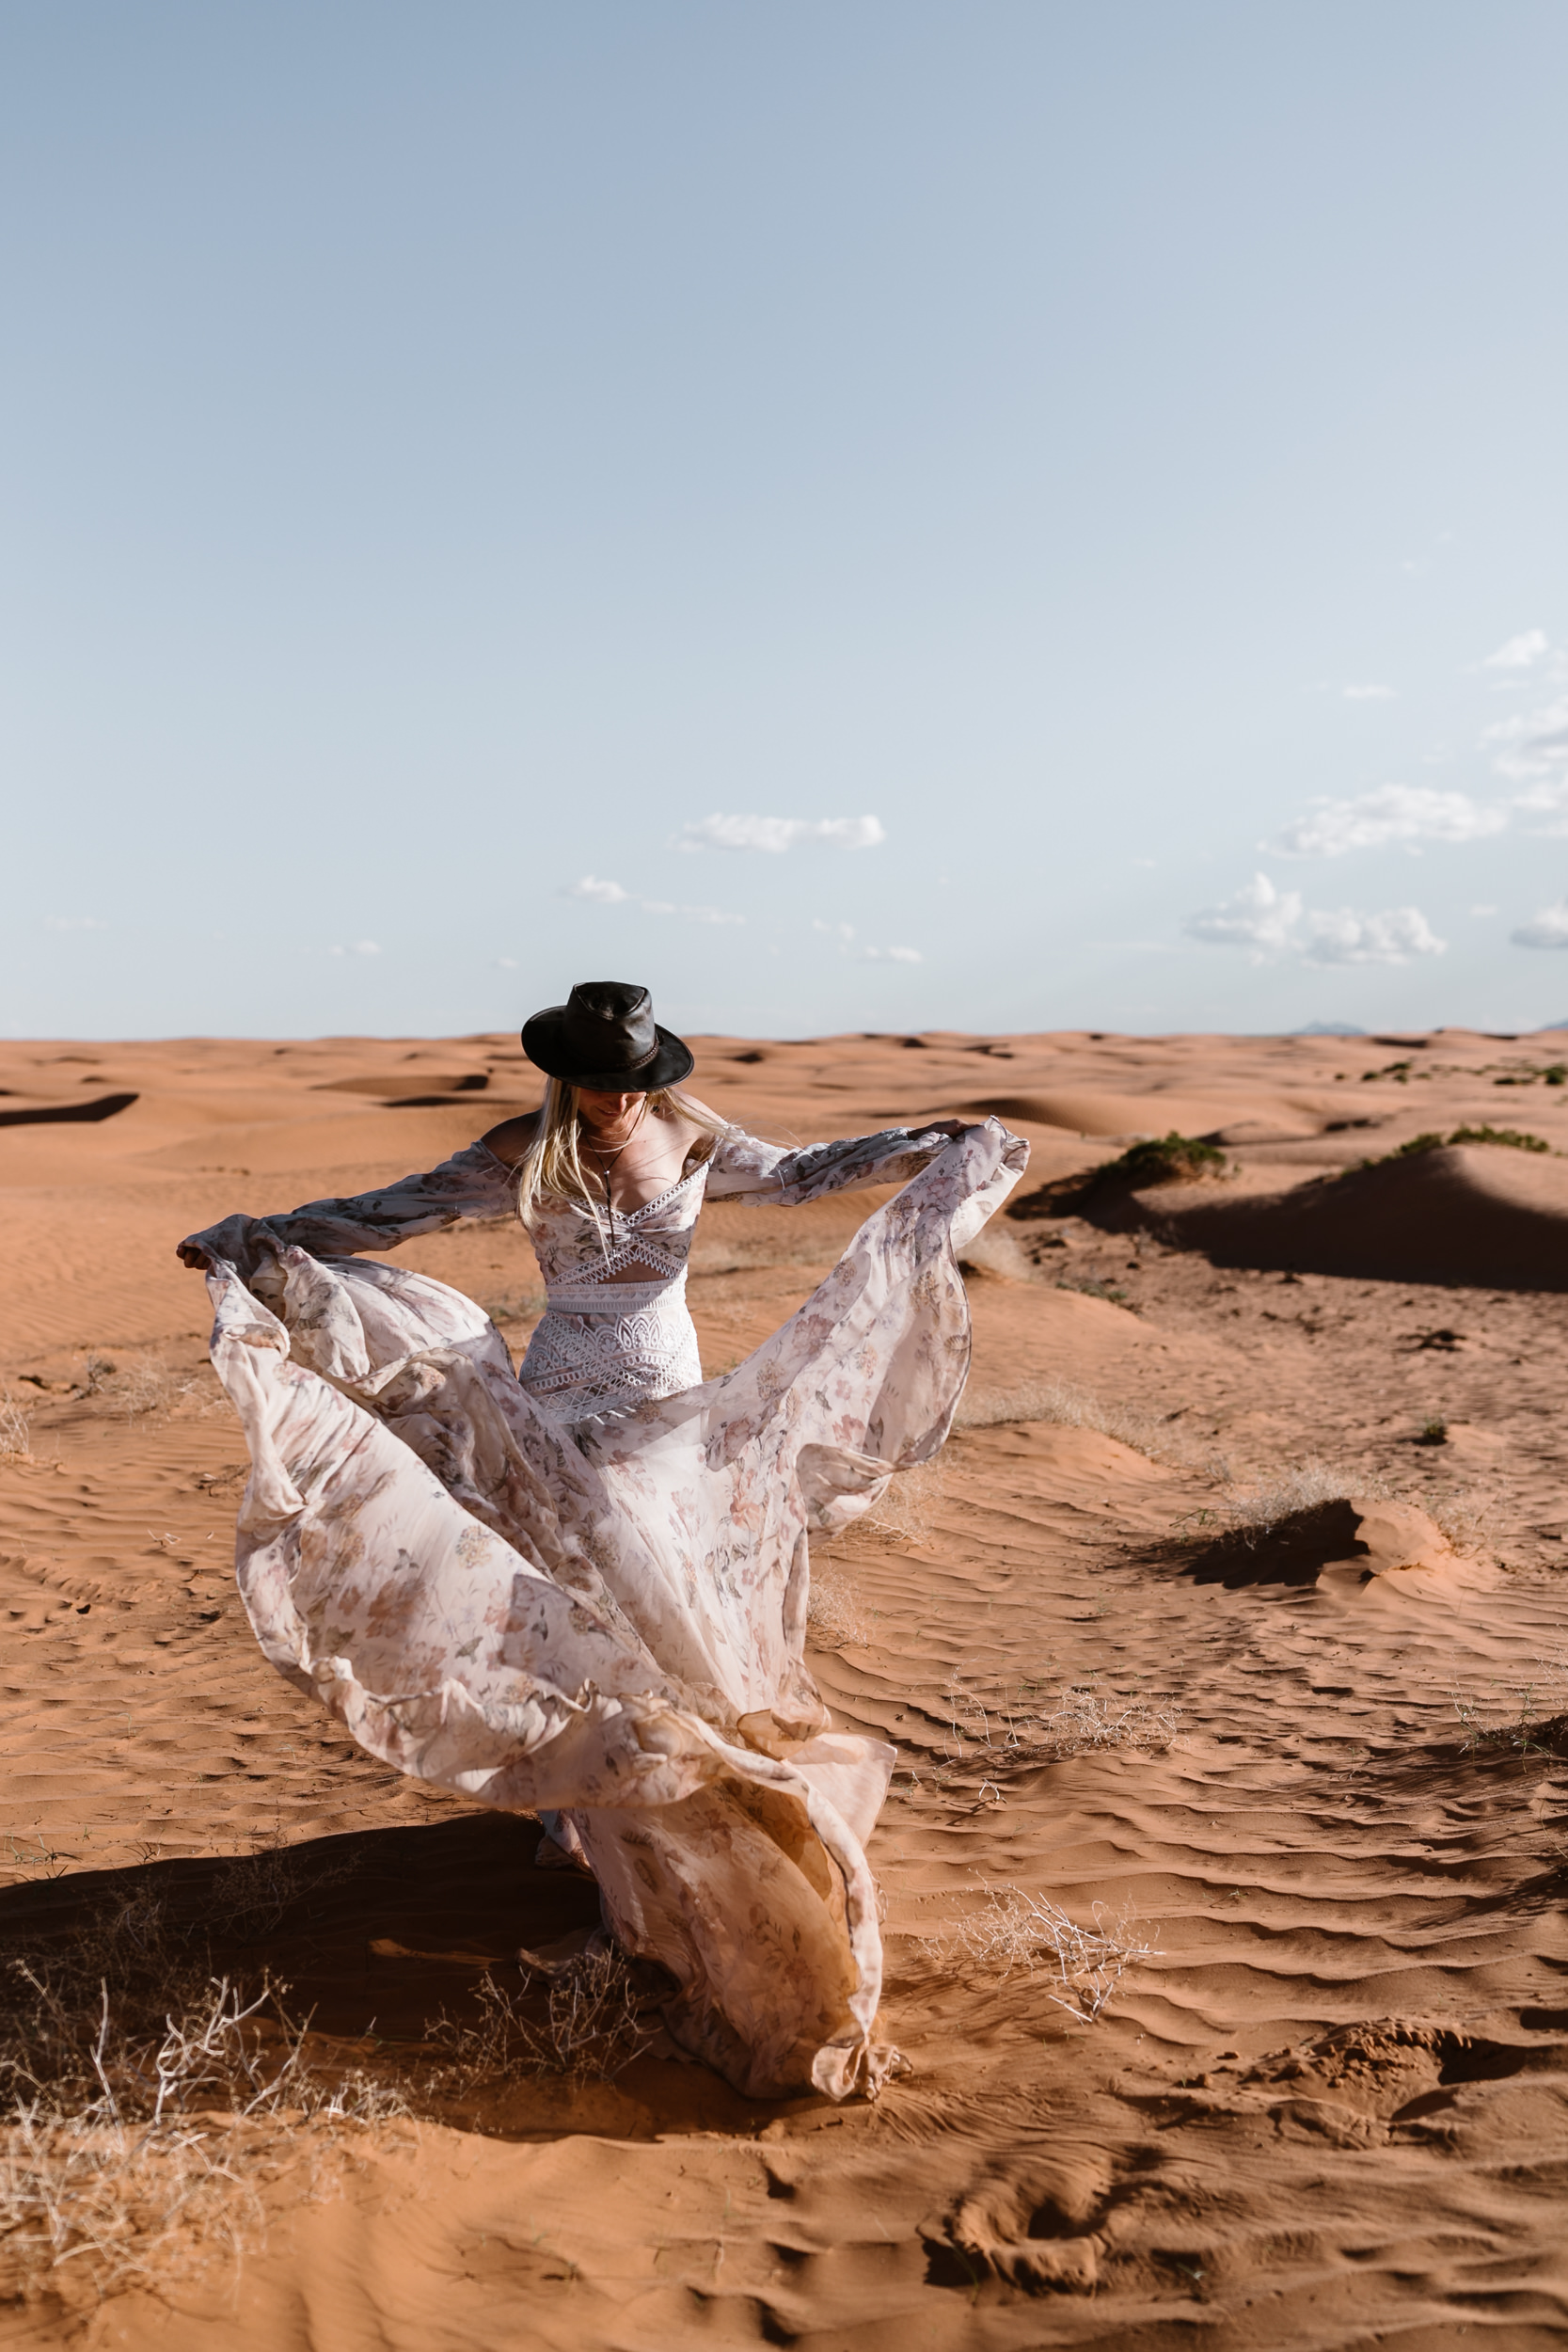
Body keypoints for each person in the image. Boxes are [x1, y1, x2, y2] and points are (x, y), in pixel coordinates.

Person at [178, 981, 1027, 2099]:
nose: (612, 1102)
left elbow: (806, 1173)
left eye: (629, 1082)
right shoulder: (519, 1151)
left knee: (658, 1589)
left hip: (665, 1392)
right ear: (563, 1072)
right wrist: (267, 1237)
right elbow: (394, 1213)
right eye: (594, 1081)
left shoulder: (694, 1139)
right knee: (575, 1597)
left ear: (654, 1077)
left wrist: (927, 1143)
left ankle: (686, 1790)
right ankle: (588, 1814)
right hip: (557, 1393)